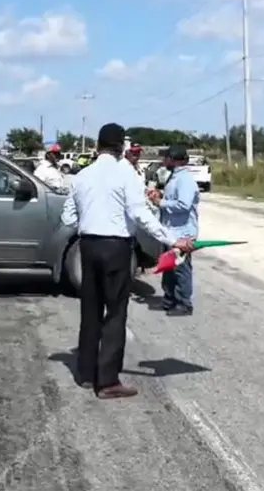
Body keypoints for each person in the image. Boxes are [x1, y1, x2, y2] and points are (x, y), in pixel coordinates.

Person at [61, 123, 194, 399]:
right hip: (116, 248)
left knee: (91, 310)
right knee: (116, 313)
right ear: (121, 147)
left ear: (98, 146)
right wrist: (172, 240)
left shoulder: (82, 176)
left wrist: (92, 216)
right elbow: (141, 215)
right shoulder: (126, 174)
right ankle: (107, 381)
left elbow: (68, 219)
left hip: (88, 246)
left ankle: (86, 374)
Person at [149, 146, 200, 317]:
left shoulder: (185, 179)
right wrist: (159, 195)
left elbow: (183, 205)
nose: (164, 162)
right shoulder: (175, 177)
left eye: (166, 158)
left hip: (182, 233)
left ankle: (184, 303)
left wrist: (161, 203)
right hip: (171, 232)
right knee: (169, 266)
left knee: (181, 269)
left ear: (174, 159)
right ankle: (170, 299)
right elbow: (173, 198)